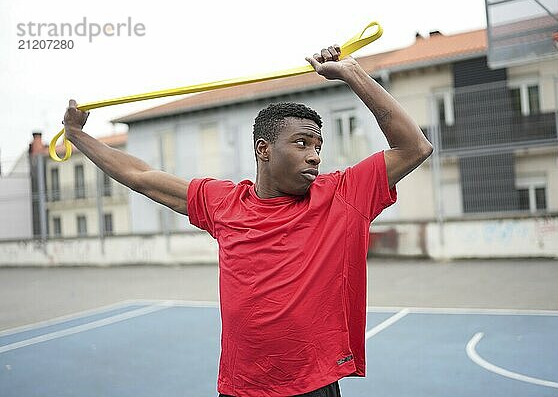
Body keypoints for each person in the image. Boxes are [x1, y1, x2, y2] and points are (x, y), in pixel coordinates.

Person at [62, 44, 433, 397]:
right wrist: (78, 136)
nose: (315, 156)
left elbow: (415, 147)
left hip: (314, 384)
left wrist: (354, 75)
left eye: (318, 146)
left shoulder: (341, 196)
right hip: (242, 386)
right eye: (302, 143)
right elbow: (139, 175)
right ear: (263, 149)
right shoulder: (224, 202)